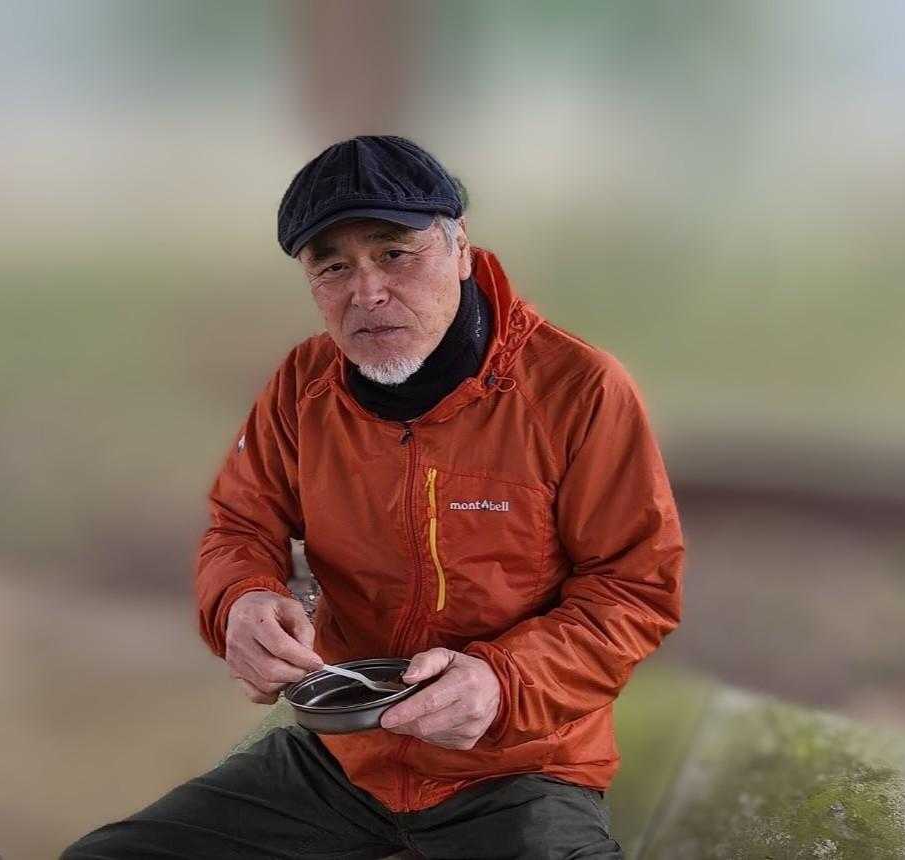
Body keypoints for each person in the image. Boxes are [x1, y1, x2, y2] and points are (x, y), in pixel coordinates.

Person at [62, 135, 685, 859]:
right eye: (332, 267)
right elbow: (240, 525)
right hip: (340, 760)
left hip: (520, 766)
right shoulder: (302, 386)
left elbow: (634, 588)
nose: (366, 292)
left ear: (460, 249)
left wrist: (503, 681)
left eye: (395, 253)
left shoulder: (580, 390)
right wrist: (241, 600)